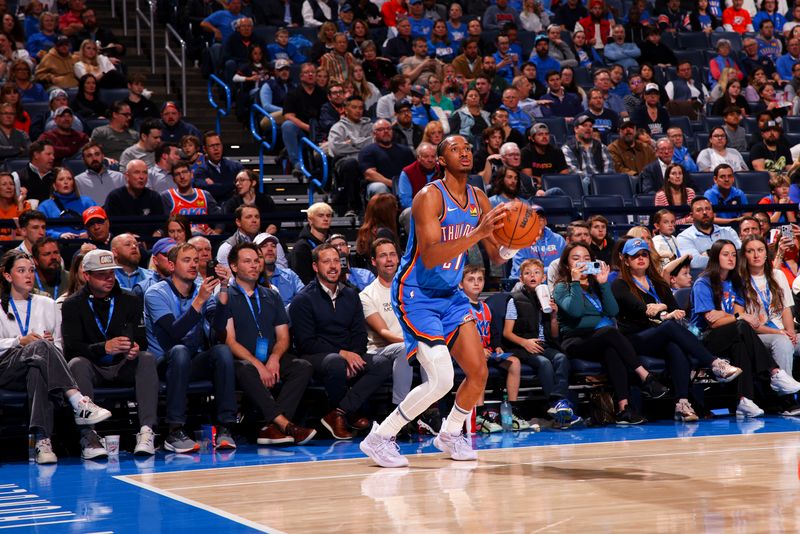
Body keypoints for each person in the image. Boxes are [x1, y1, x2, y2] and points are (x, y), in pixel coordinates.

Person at [360, 135, 513, 468]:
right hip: (416, 294)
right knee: (442, 378)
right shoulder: (428, 197)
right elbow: (429, 256)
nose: (464, 153)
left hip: (451, 295)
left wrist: (512, 243)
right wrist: (476, 233)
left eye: (467, 148)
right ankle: (380, 437)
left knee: (478, 372)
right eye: (455, 149)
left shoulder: (478, 197)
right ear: (441, 160)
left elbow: (495, 255)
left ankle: (451, 432)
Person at [611, 238, 743, 422]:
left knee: (675, 345)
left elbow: (675, 310)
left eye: (643, 254)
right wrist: (663, 312)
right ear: (626, 260)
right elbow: (640, 309)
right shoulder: (620, 284)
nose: (640, 258)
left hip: (661, 334)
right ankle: (714, 363)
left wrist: (663, 310)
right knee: (670, 327)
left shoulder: (657, 282)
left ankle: (682, 403)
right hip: (635, 339)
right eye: (634, 256)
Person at [0, 249, 112, 464]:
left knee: (38, 367)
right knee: (40, 347)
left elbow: (61, 346)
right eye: (21, 271)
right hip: (6, 370)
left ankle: (43, 443)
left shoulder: (47, 304)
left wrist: (50, 346)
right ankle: (77, 399)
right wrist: (18, 341)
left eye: (31, 270)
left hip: (41, 368)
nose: (28, 275)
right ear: (7, 276)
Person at [553, 243, 668, 424]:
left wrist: (604, 284)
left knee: (612, 350)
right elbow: (575, 312)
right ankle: (646, 377)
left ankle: (624, 408)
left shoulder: (595, 286)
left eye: (586, 258)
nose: (582, 262)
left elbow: (613, 311)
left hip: (600, 339)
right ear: (567, 265)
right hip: (575, 341)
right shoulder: (562, 287)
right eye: (576, 259)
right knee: (609, 333)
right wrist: (575, 282)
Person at [62, 249, 159, 457]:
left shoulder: (130, 299)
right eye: (101, 274)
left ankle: (147, 431)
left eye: (112, 273)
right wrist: (103, 347)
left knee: (147, 358)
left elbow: (141, 339)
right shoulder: (72, 304)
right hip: (93, 367)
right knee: (76, 363)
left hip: (123, 365)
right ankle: (89, 436)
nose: (109, 278)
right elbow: (71, 348)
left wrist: (134, 349)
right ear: (86, 275)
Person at [289, 244, 392, 440]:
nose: (333, 266)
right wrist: (342, 354)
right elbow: (306, 342)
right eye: (326, 261)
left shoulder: (351, 295)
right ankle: (348, 414)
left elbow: (359, 334)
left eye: (336, 261)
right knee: (335, 362)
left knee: (382, 363)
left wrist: (352, 354)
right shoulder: (303, 299)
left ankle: (340, 412)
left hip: (349, 353)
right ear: (315, 266)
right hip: (316, 356)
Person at [220, 242, 316, 445]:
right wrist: (258, 364)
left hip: (269, 356)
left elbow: (283, 337)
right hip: (242, 360)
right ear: (234, 267)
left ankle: (270, 427)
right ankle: (285, 425)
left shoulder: (271, 295)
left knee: (302, 367)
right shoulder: (226, 295)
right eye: (247, 261)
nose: (254, 265)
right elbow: (229, 340)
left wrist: (273, 358)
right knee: (245, 369)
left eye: (257, 261)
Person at [144, 242, 237, 452]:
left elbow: (219, 327)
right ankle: (175, 430)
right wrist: (200, 300)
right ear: (171, 265)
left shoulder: (200, 290)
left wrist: (223, 289)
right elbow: (175, 333)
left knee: (222, 350)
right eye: (186, 260)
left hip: (192, 361)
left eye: (196, 260)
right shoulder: (155, 293)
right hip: (163, 364)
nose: (193, 265)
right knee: (180, 351)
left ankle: (225, 427)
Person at [691, 239, 800, 417]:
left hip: (730, 334)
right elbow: (715, 322)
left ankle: (744, 400)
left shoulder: (736, 283)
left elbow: (734, 316)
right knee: (742, 326)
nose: (731, 258)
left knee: (740, 340)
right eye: (725, 254)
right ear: (715, 258)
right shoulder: (703, 283)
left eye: (734, 254)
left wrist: (729, 316)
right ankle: (774, 372)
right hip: (704, 340)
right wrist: (736, 317)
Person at [503, 259, 581, 427]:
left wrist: (553, 316)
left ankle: (558, 401)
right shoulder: (515, 300)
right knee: (544, 363)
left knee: (561, 358)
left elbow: (553, 335)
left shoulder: (547, 298)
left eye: (537, 273)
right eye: (528, 273)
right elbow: (507, 333)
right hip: (523, 347)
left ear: (543, 277)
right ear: (521, 278)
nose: (532, 276)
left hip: (544, 344)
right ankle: (557, 404)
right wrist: (525, 343)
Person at [740, 235, 800, 411]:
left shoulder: (777, 275)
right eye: (750, 251)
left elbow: (786, 309)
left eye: (760, 250)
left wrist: (790, 332)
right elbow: (748, 324)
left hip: (783, 332)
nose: (756, 255)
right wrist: (781, 334)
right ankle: (786, 400)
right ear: (744, 255)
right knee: (782, 343)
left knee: (787, 341)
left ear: (767, 254)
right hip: (760, 336)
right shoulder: (740, 280)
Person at [359, 238, 420, 410]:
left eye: (392, 254)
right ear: (373, 261)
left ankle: (433, 409)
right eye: (383, 256)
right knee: (404, 349)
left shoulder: (410, 288)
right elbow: (383, 332)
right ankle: (399, 409)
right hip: (381, 350)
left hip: (412, 345)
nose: (389, 260)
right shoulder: (367, 295)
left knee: (432, 347)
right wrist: (412, 342)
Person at [676, 197, 742, 270]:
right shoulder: (684, 237)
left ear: (713, 212)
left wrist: (709, 253)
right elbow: (695, 263)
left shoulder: (728, 232)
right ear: (691, 216)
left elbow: (740, 255)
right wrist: (727, 257)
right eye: (699, 210)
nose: (704, 212)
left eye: (708, 209)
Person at [104, 159, 165, 236]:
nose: (141, 177)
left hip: (150, 242)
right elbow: (111, 225)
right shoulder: (115, 197)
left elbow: (162, 223)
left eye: (145, 173)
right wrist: (129, 236)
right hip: (124, 242)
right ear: (127, 176)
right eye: (137, 172)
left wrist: (158, 232)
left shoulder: (154, 197)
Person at [161, 161, 222, 236]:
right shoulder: (167, 196)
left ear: (191, 174)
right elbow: (164, 225)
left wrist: (216, 232)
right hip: (179, 242)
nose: (182, 176)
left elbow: (220, 220)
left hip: (203, 240)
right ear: (173, 179)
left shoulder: (205, 195)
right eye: (177, 174)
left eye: (185, 172)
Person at [38, 166, 95, 239]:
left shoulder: (87, 202)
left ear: (73, 183)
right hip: (57, 245)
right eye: (61, 179)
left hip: (86, 243)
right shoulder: (45, 206)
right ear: (54, 185)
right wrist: (59, 235)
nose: (66, 182)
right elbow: (39, 229)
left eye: (69, 179)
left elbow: (99, 224)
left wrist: (89, 233)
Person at [561, 114, 614, 191]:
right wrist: (594, 180)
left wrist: (600, 181)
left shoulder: (601, 147)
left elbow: (609, 168)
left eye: (590, 126)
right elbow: (573, 171)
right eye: (584, 125)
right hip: (580, 186)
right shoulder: (567, 148)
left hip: (602, 184)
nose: (588, 128)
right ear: (576, 129)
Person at [255, 233, 303, 307]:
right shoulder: (252, 279)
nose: (270, 249)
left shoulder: (290, 275)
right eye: (264, 246)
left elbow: (304, 299)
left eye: (273, 246)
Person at [289, 201, 332, 284]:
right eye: (321, 215)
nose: (326, 219)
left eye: (328, 216)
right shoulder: (302, 247)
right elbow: (302, 279)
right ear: (310, 220)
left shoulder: (334, 243)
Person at [192, 131, 243, 201]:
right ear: (204, 149)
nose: (216, 148)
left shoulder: (237, 167)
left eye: (218, 145)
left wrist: (214, 185)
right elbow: (208, 192)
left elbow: (245, 187)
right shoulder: (199, 172)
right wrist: (233, 185)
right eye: (212, 146)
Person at [74, 142, 124, 207]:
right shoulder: (77, 181)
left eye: (97, 154)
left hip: (117, 216)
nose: (94, 159)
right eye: (89, 156)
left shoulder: (119, 177)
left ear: (103, 156)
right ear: (84, 159)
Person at [0, 171, 28, 241]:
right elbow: (18, 237)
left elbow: (26, 233)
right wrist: (13, 238)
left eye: (12, 184)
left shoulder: (25, 205)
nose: (9, 187)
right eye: (4, 184)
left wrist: (20, 205)